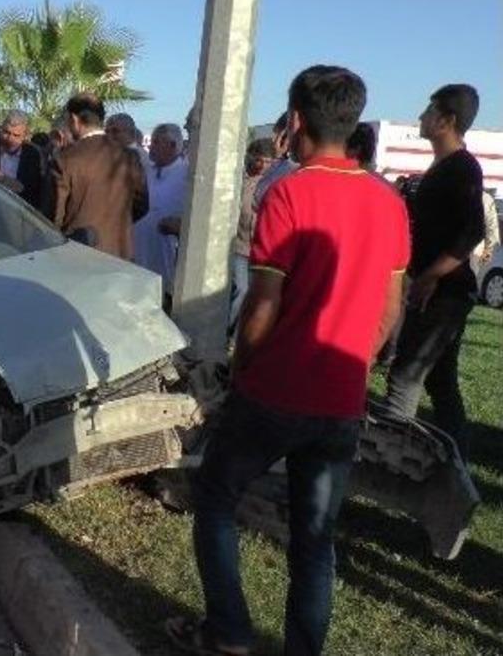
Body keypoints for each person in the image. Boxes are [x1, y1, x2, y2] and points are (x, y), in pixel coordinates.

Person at [168, 65, 410, 656]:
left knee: (216, 497)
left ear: (295, 120)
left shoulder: (290, 192)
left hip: (275, 390)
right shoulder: (388, 202)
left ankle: (227, 631)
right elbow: (389, 309)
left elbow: (261, 305)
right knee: (314, 538)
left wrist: (242, 366)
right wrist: (358, 362)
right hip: (342, 400)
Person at [382, 84, 485, 461]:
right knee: (441, 383)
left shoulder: (462, 167)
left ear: (446, 120)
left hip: (446, 294)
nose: (421, 118)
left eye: (428, 112)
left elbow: (474, 231)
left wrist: (430, 276)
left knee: (405, 378)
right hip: (434, 289)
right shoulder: (441, 167)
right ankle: (454, 462)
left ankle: (388, 461)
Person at [47, 93, 148, 258]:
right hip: (120, 253)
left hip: (76, 256)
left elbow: (54, 216)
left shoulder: (64, 159)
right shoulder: (129, 156)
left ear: (73, 119)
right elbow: (141, 205)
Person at [133, 123, 190, 304]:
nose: (151, 146)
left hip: (168, 253)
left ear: (173, 146)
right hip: (140, 252)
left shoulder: (188, 174)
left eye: (157, 142)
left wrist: (180, 224)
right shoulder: (146, 170)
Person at [229, 137, 277, 332]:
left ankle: (238, 334)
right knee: (242, 290)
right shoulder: (242, 181)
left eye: (268, 162)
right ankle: (229, 329)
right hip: (240, 246)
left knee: (253, 294)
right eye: (260, 160)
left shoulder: (271, 184)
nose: (263, 165)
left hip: (259, 249)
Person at [0, 110, 46, 213]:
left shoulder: (32, 154)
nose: (10, 139)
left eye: (16, 135)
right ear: (0, 130)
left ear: (25, 136)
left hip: (19, 212)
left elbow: (34, 191)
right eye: (6, 133)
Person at [253, 113, 297, 208]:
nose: (273, 140)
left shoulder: (289, 169)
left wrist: (277, 158)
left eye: (277, 135)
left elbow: (259, 197)